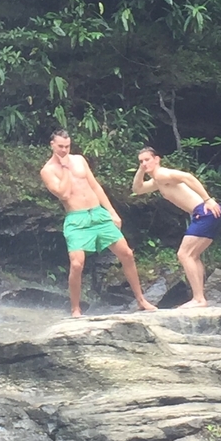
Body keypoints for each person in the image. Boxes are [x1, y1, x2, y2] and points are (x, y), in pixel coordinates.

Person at [40, 129, 157, 317]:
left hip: (98, 213)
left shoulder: (79, 159)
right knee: (77, 264)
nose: (64, 150)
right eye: (60, 146)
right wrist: (65, 168)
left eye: (67, 146)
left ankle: (141, 300)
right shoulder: (48, 171)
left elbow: (95, 185)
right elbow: (63, 193)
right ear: (52, 145)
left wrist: (112, 212)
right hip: (77, 219)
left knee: (126, 253)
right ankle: (76, 309)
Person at [132, 146, 221, 307]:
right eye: (141, 161)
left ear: (157, 159)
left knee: (184, 254)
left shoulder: (162, 174)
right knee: (192, 255)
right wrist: (141, 170)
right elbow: (137, 189)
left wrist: (207, 199)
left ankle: (198, 298)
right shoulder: (157, 181)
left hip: (204, 212)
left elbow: (187, 177)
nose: (144, 163)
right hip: (205, 214)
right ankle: (200, 297)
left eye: (147, 160)